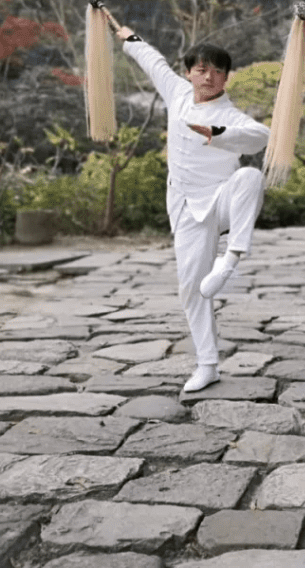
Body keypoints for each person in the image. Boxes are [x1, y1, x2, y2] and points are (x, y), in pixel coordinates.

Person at [115, 24, 269, 393]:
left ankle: (230, 260)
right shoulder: (178, 93)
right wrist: (129, 37)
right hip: (185, 206)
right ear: (189, 73)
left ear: (227, 78)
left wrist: (217, 133)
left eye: (218, 71)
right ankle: (207, 364)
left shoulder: (230, 114)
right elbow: (153, 63)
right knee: (191, 287)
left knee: (249, 177)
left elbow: (262, 136)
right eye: (202, 69)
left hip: (221, 203)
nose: (209, 77)